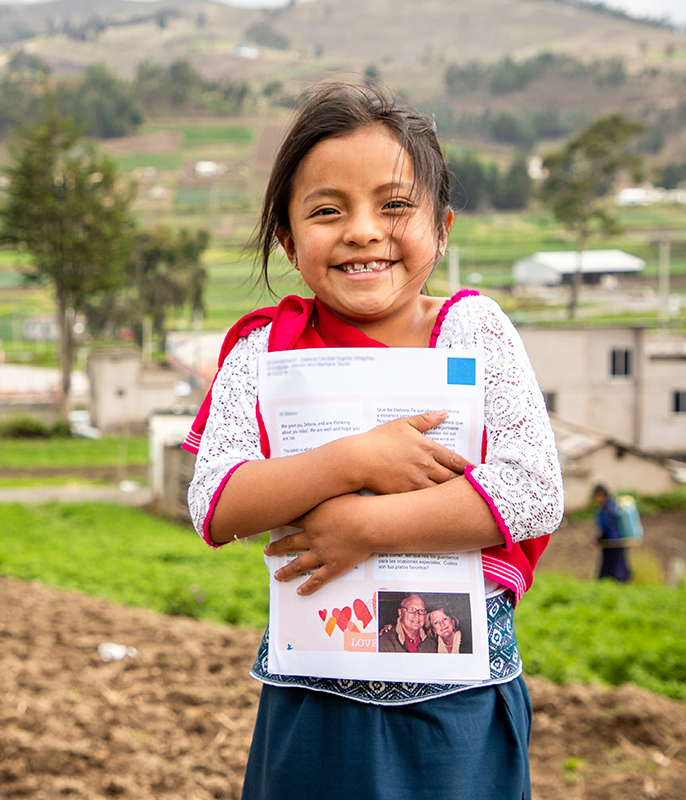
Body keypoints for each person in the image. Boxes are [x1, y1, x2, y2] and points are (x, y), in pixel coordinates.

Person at [184, 81, 563, 800]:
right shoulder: (262, 352)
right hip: (312, 707)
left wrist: (363, 525)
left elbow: (533, 491)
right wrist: (355, 459)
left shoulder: (475, 332)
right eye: (328, 211)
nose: (362, 231)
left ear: (442, 227)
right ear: (290, 241)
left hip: (458, 708)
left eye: (395, 205)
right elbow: (215, 500)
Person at [593, 483, 631, 582]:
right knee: (615, 564)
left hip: (614, 542)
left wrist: (601, 539)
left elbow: (609, 526)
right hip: (614, 541)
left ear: (602, 495)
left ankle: (619, 582)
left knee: (616, 566)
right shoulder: (610, 506)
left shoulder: (608, 508)